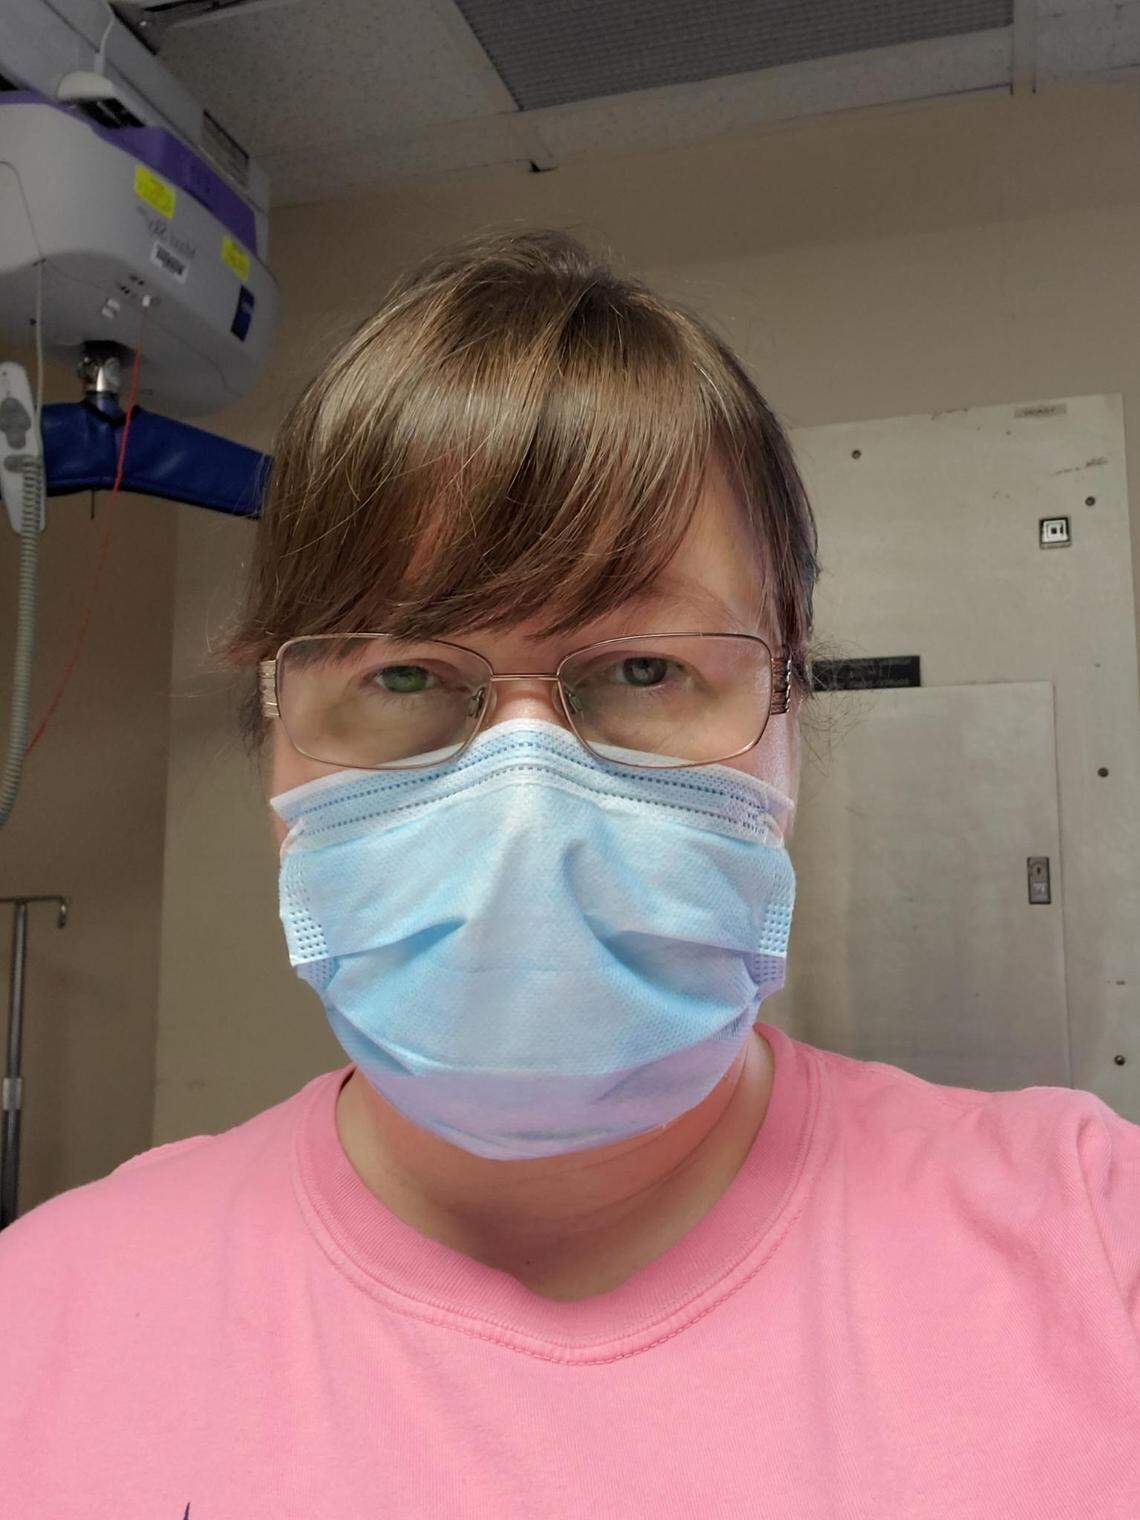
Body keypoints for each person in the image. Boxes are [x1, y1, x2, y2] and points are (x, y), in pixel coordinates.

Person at [1, 228, 1137, 1518]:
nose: (525, 806)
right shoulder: (44, 1320)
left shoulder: (1094, 1250)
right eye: (407, 675)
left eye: (644, 667)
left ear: (791, 713)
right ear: (274, 735)